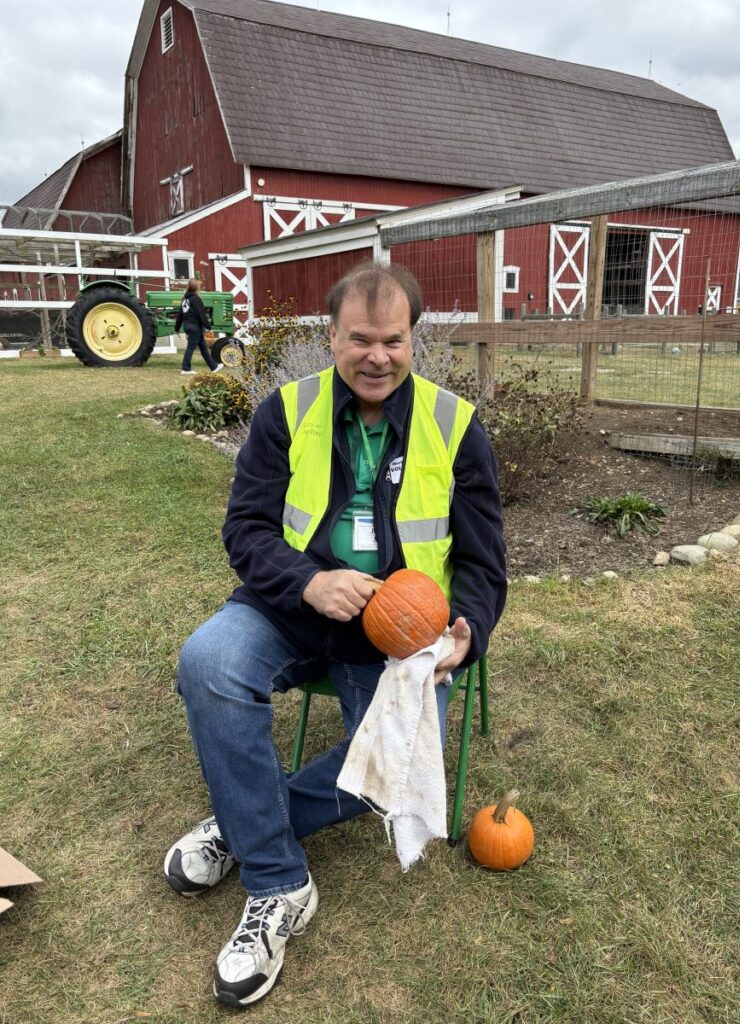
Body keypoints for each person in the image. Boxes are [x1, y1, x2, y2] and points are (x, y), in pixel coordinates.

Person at [165, 262, 507, 1007]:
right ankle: (279, 882)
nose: (376, 356)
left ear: (414, 339)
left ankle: (246, 819)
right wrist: (307, 583)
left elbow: (484, 564)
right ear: (331, 337)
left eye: (392, 340)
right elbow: (247, 529)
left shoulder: (457, 427)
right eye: (359, 339)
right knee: (208, 662)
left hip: (396, 638)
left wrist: (466, 632)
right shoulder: (286, 412)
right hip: (286, 606)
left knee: (398, 776)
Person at [174, 277, 221, 375]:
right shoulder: (196, 299)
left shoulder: (185, 299)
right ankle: (185, 368)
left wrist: (177, 328)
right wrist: (209, 327)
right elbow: (202, 315)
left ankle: (214, 366)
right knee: (190, 348)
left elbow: (180, 315)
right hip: (194, 327)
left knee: (203, 348)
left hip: (189, 326)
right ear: (196, 288)